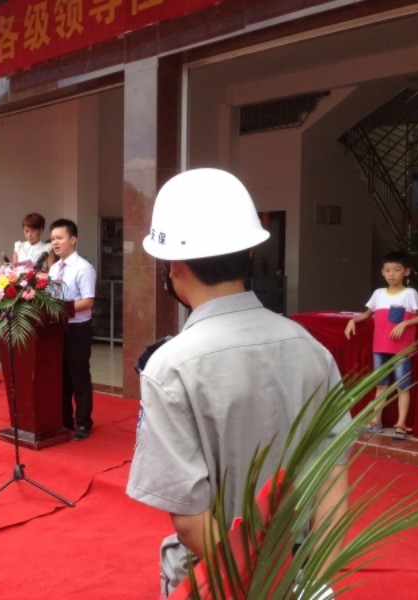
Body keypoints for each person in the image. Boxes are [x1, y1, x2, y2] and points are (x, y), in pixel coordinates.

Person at [126, 168, 349, 597]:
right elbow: (332, 475)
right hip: (298, 567)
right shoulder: (311, 349)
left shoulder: (170, 367)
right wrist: (315, 581)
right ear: (249, 255)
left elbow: (191, 519)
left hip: (214, 575)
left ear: (173, 267)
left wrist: (255, 581)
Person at [344, 251, 418, 439]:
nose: (391, 274)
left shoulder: (410, 294)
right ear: (382, 272)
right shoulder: (378, 294)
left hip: (402, 349)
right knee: (381, 385)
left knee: (402, 386)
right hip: (380, 347)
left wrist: (405, 323)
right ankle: (376, 421)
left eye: (396, 269)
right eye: (387, 270)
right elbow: (367, 313)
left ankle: (401, 424)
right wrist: (353, 320)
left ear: (406, 272)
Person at [48, 218, 96, 440]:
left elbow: (88, 301)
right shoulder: (53, 268)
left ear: (73, 240)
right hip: (57, 331)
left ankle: (83, 422)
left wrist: (61, 309)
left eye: (60, 238)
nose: (55, 243)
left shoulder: (83, 268)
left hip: (78, 330)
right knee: (61, 378)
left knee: (79, 377)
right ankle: (64, 419)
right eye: (52, 239)